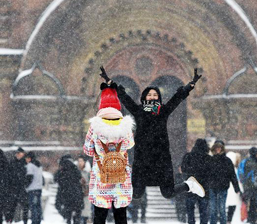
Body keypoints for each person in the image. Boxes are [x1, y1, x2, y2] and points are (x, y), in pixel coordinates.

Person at [99, 66, 205, 199]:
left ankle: (189, 185)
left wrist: (190, 85)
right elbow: (124, 98)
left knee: (168, 193)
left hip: (161, 157)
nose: (152, 97)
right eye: (150, 95)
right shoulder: (138, 111)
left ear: (159, 98)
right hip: (142, 157)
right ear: (145, 97)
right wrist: (110, 82)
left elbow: (177, 98)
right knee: (136, 194)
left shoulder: (163, 110)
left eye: (155, 95)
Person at [83, 82, 135, 224]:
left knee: (99, 217)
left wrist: (99, 150)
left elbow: (87, 150)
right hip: (120, 178)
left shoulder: (95, 127)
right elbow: (130, 144)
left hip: (102, 179)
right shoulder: (126, 126)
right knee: (121, 216)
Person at [181, 139, 212, 224]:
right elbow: (211, 172)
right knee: (204, 212)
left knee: (190, 212)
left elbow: (183, 169)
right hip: (203, 188)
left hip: (191, 186)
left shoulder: (188, 156)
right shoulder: (208, 158)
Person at [208, 140, 240, 224]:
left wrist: (236, 188)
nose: (218, 149)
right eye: (216, 148)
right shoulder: (210, 160)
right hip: (212, 187)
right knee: (213, 209)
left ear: (222, 149)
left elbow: (232, 175)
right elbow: (205, 174)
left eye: (220, 148)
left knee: (222, 209)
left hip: (222, 187)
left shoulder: (227, 161)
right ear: (214, 148)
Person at [55, 156, 83, 224]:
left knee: (68, 215)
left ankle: (68, 220)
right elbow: (79, 178)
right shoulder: (75, 169)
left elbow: (57, 180)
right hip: (76, 195)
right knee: (77, 215)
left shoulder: (62, 171)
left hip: (66, 196)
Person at [240, 147, 257, 224]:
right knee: (253, 203)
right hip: (252, 186)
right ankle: (252, 218)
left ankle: (251, 218)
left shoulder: (246, 161)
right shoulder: (253, 162)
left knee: (251, 203)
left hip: (250, 186)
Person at [8, 147, 29, 224]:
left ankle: (25, 221)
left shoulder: (26, 163)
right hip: (14, 187)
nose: (18, 155)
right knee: (12, 206)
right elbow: (9, 174)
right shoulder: (12, 162)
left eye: (19, 154)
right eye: (17, 153)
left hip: (23, 187)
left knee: (25, 206)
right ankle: (10, 221)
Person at [0, 149, 12, 224]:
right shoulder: (6, 162)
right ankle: (8, 220)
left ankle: (0, 221)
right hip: (5, 188)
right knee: (6, 207)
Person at [25, 152, 43, 224]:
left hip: (32, 189)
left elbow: (30, 177)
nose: (26, 160)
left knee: (33, 207)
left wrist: (26, 186)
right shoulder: (39, 165)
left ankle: (34, 222)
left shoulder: (30, 165)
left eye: (26, 158)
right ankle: (38, 221)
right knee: (38, 206)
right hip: (39, 188)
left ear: (29, 158)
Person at [225, 151, 242, 224]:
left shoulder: (224, 168)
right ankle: (229, 220)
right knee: (232, 207)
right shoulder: (234, 169)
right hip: (233, 191)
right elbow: (237, 180)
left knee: (227, 206)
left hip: (227, 190)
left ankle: (228, 220)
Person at [76, 155, 92, 224]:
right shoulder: (76, 171)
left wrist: (87, 189)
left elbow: (91, 182)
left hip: (86, 194)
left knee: (86, 212)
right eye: (79, 161)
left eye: (81, 161)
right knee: (78, 213)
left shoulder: (88, 172)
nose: (80, 163)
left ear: (84, 162)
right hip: (77, 193)